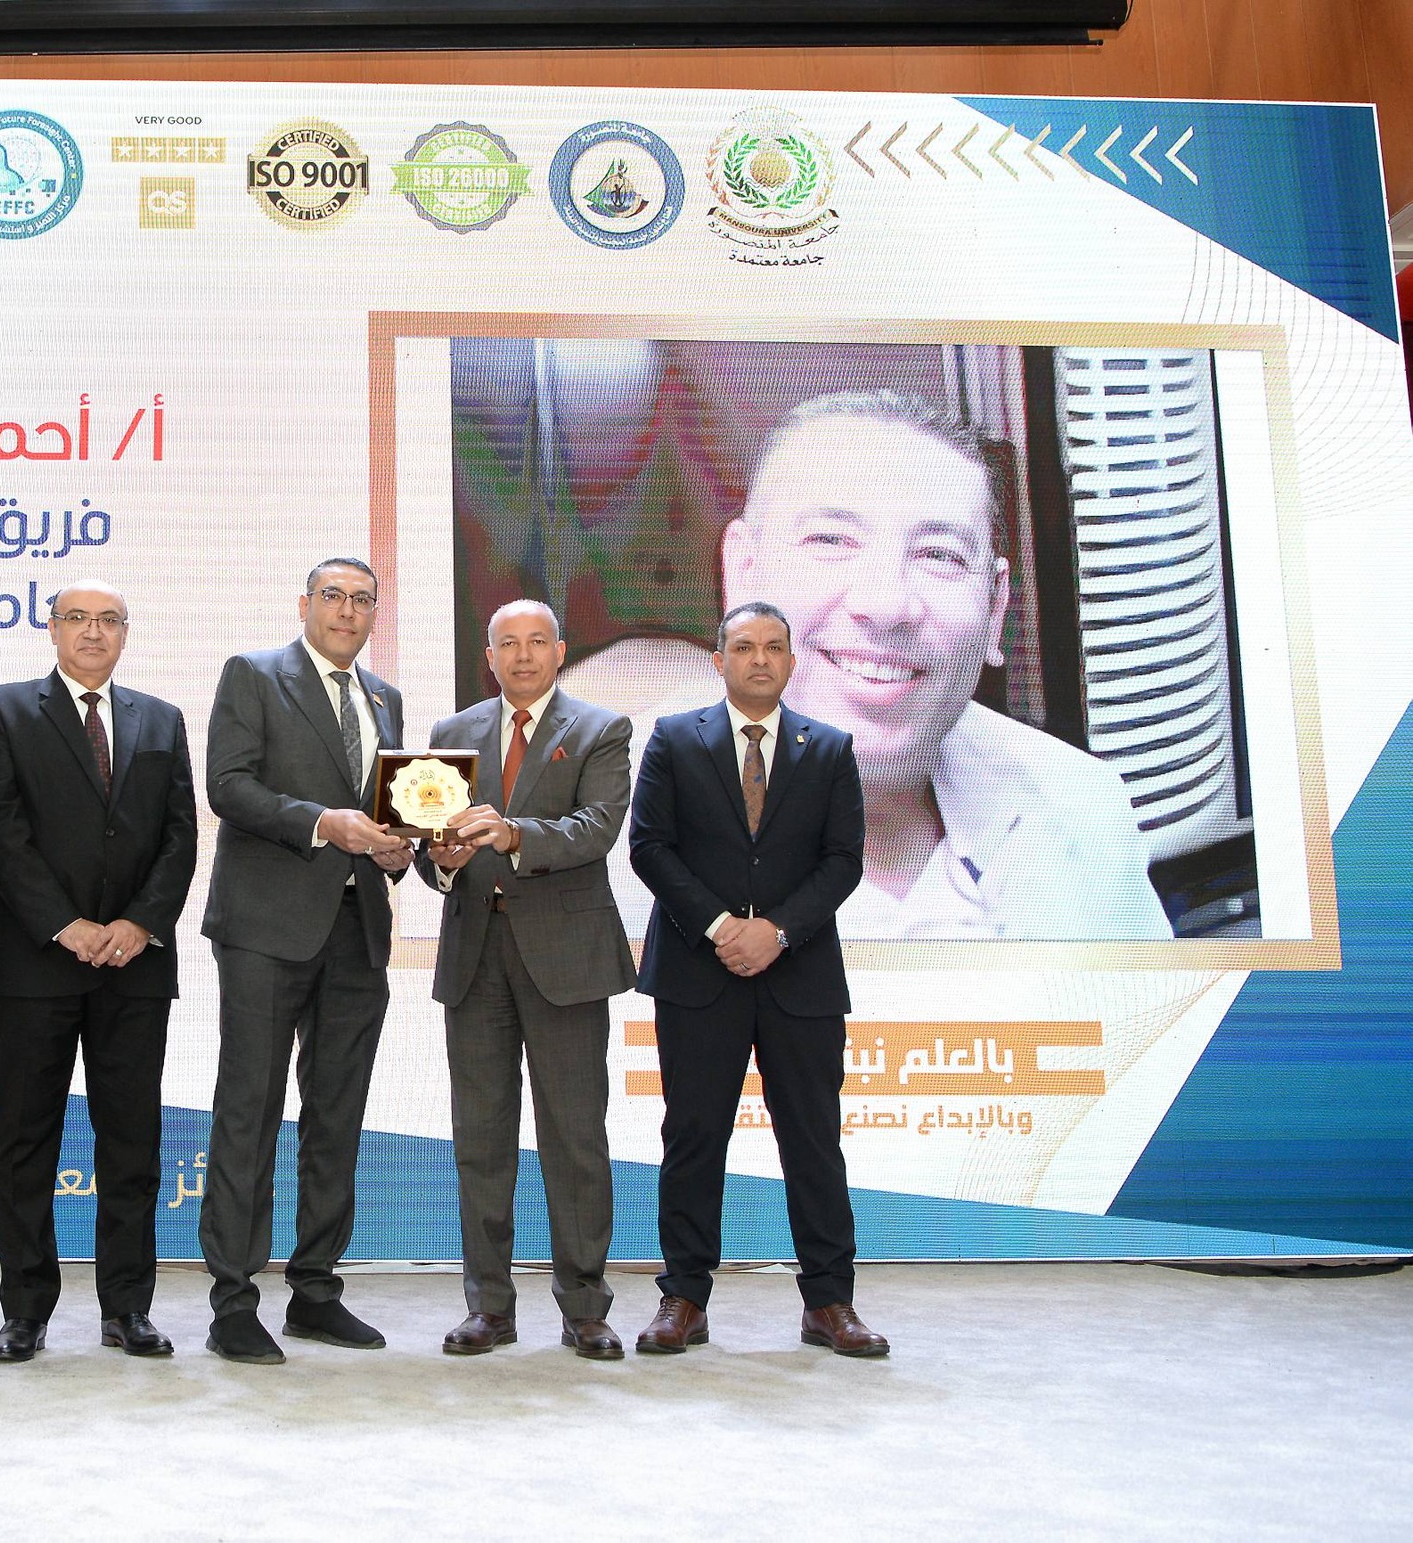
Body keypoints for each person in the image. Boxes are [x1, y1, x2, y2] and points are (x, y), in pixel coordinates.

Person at [563, 389, 1170, 940]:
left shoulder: (1080, 806)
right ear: (742, 575)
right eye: (829, 541)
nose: (886, 605)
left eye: (939, 555)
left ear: (994, 610)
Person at [629, 600, 888, 1359]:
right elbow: (649, 847)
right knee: (692, 1136)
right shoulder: (674, 738)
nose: (761, 659)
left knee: (813, 1140)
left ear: (792, 661)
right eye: (745, 647)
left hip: (799, 975)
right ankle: (683, 1297)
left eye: (775, 647)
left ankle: (830, 1302)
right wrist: (721, 927)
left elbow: (843, 860)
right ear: (719, 660)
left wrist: (775, 931)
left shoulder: (830, 747)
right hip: (696, 971)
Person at [0, 579, 197, 1364]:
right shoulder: (2, 709)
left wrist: (138, 923)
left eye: (108, 620)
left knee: (132, 1143)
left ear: (125, 633)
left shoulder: (160, 718)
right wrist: (66, 925)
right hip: (32, 962)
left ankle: (128, 1307)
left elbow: (180, 837)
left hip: (134, 965)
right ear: (52, 628)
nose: (92, 632)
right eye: (77, 618)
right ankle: (25, 1311)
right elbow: (1, 831)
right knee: (24, 1142)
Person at [198, 557, 408, 1364]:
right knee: (248, 1110)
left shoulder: (384, 697)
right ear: (305, 604)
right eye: (333, 596)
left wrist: (398, 848)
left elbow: (390, 810)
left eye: (362, 600)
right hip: (265, 927)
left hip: (358, 930)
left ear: (374, 613)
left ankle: (316, 1289)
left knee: (337, 1114)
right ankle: (233, 1300)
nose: (347, 611)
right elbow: (229, 786)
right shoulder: (254, 675)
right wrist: (325, 822)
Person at [418, 601, 636, 1360]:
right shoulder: (452, 734)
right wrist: (443, 862)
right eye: (507, 643)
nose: (522, 655)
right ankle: (489, 1307)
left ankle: (585, 1307)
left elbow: (596, 828)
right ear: (489, 656)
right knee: (480, 1140)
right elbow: (432, 848)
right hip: (475, 958)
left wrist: (513, 834)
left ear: (560, 651)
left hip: (567, 961)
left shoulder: (601, 728)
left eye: (536, 641)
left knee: (575, 1139)